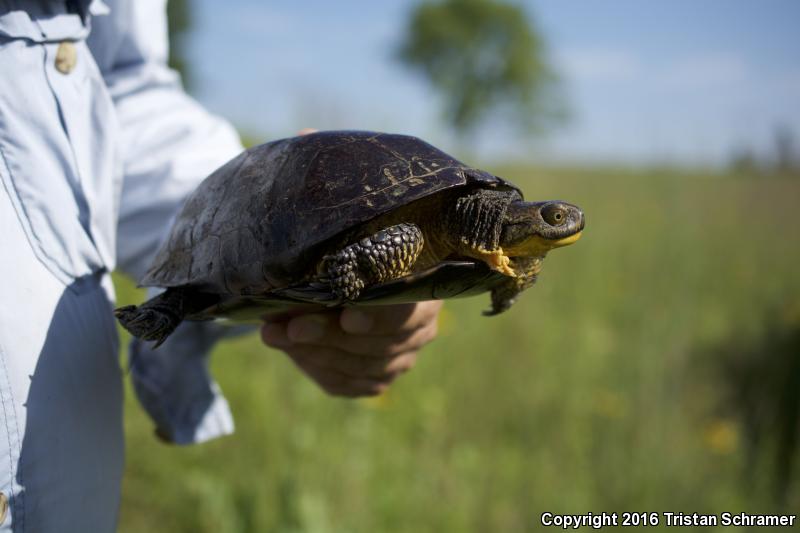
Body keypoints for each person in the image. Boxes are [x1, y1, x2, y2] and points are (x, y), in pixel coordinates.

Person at [0, 1, 442, 531]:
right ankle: (175, 303)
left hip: (66, 468)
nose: (567, 223)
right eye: (552, 218)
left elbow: (116, 83)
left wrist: (271, 197)